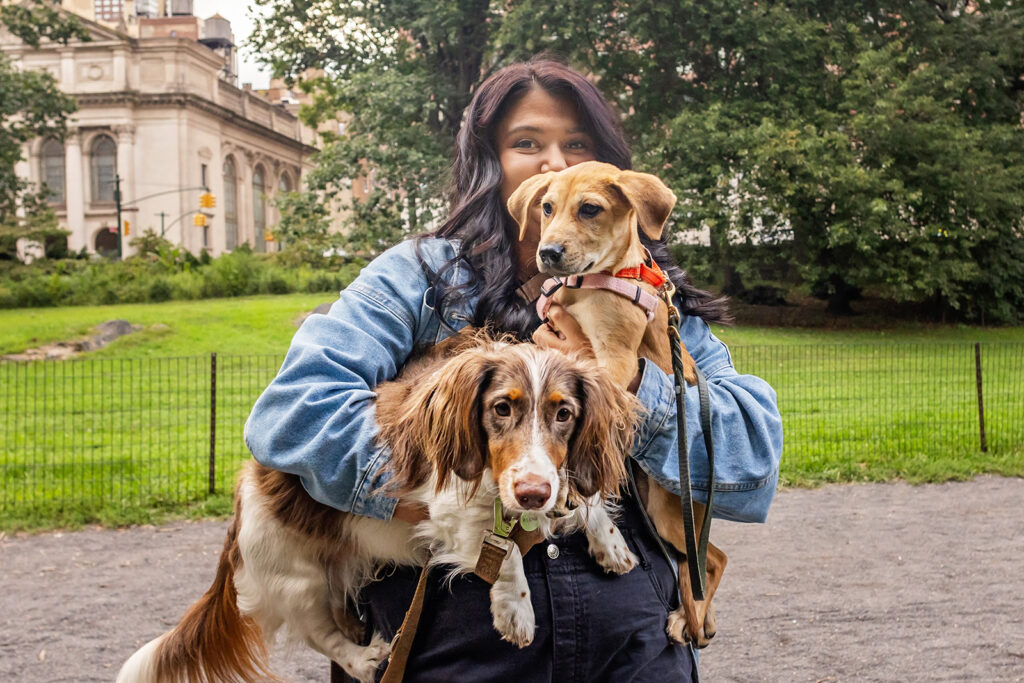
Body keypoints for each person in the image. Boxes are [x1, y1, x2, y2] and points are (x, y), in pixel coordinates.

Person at [244, 57, 783, 682]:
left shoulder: (649, 296)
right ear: (489, 162)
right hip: (458, 642)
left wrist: (630, 384)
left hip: (631, 643)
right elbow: (294, 413)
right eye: (526, 143)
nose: (555, 162)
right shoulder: (421, 279)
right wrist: (460, 499)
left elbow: (753, 455)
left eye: (577, 143)